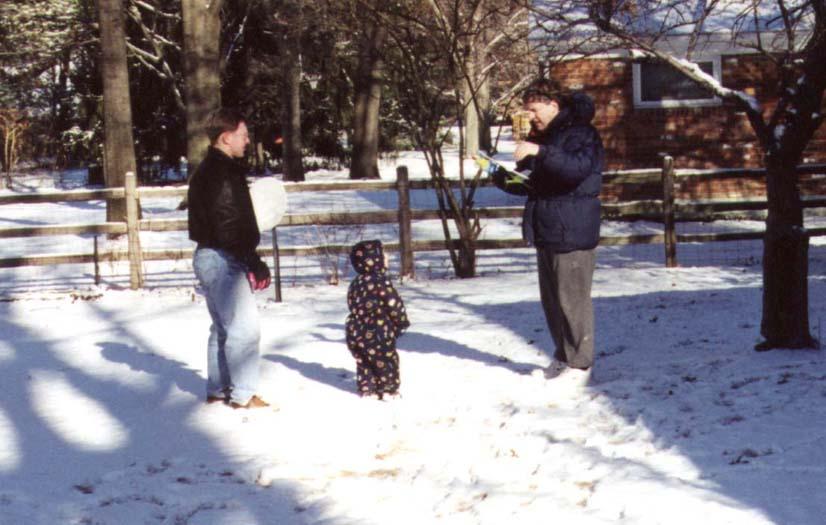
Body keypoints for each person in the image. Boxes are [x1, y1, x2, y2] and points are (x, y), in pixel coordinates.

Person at [511, 78, 604, 381]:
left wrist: (539, 153)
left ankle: (581, 364)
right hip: (548, 228)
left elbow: (575, 169)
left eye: (534, 110)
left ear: (553, 104)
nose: (531, 117)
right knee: (552, 301)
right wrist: (499, 175)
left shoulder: (582, 134)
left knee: (572, 300)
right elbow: (537, 183)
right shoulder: (548, 138)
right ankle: (564, 356)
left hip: (572, 228)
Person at [188, 108, 272, 409]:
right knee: (244, 329)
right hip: (223, 258)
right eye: (243, 135)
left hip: (210, 256)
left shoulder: (212, 169)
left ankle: (218, 389)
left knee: (223, 328)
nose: (248, 141)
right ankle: (242, 395)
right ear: (226, 138)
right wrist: (252, 260)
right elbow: (227, 225)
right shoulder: (221, 173)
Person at [345, 240, 410, 399]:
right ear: (374, 260)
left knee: (365, 360)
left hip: (355, 329)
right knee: (386, 360)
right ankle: (388, 389)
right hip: (378, 330)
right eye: (384, 255)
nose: (387, 257)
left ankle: (368, 389)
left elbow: (351, 304)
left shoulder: (355, 283)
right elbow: (393, 303)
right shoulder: (381, 281)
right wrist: (401, 321)